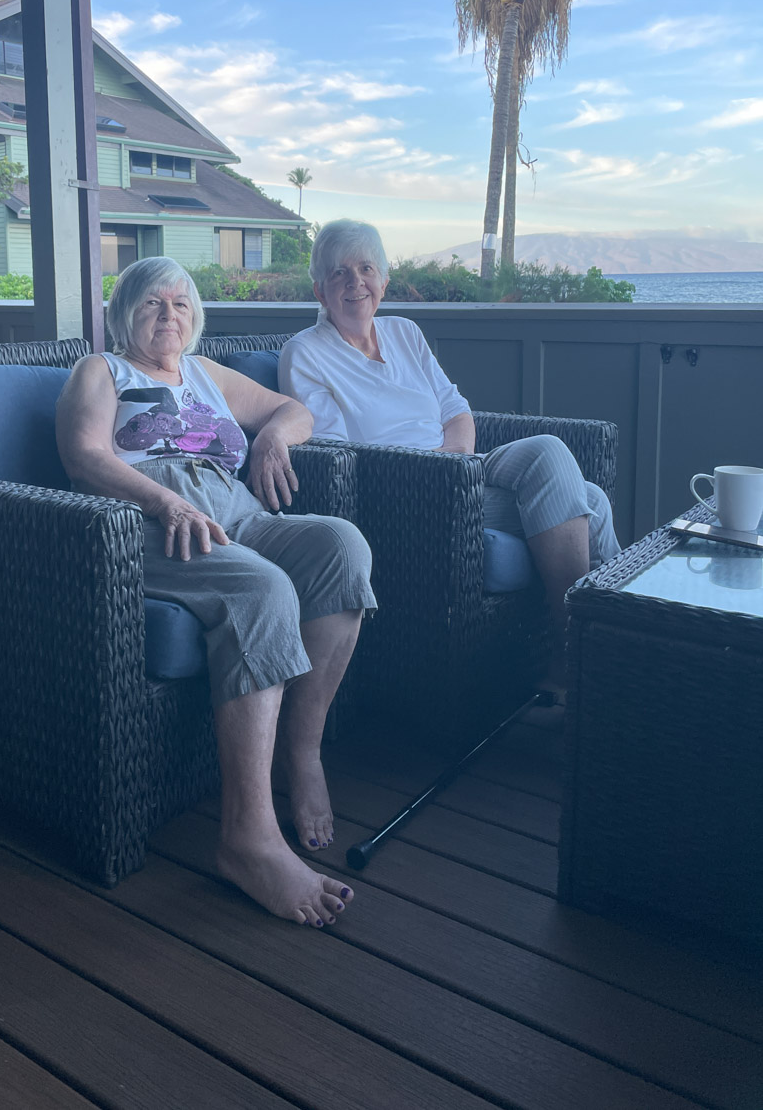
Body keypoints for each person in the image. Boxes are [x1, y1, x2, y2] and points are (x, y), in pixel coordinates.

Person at [56, 256, 375, 926]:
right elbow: (84, 455)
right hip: (153, 520)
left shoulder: (204, 372)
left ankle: (301, 752)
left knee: (341, 547)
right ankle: (247, 838)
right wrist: (164, 503)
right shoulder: (102, 370)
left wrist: (271, 441)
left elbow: (295, 410)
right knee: (262, 588)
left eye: (180, 303)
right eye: (152, 303)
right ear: (124, 314)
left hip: (238, 511)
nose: (168, 315)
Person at [278, 220, 620, 687]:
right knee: (588, 497)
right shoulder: (305, 354)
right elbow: (335, 453)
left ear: (384, 281)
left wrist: (454, 460)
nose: (355, 282)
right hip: (407, 490)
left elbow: (456, 410)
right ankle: (581, 657)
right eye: (339, 273)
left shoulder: (404, 332)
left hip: (459, 467)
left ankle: (596, 651)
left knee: (556, 461)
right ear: (320, 289)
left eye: (366, 269)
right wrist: (438, 474)